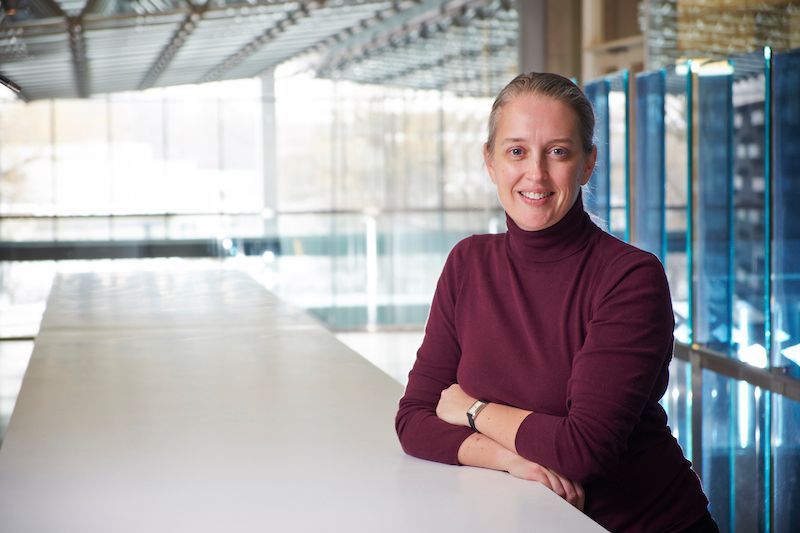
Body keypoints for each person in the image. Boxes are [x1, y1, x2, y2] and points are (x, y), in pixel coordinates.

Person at [395, 72, 717, 532]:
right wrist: (511, 460)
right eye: (516, 151)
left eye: (558, 152)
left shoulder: (629, 277)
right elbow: (414, 420)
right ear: (490, 162)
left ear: (588, 165)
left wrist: (472, 410)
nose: (536, 173)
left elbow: (580, 451)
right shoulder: (467, 263)